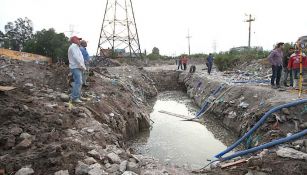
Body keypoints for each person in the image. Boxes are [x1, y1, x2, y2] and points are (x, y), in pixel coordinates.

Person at [68, 36, 86, 103]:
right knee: (78, 82)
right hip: (75, 67)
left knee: (79, 82)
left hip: (77, 67)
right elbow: (76, 57)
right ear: (75, 40)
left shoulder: (76, 47)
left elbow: (80, 58)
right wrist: (82, 66)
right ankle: (75, 98)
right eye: (78, 40)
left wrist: (82, 66)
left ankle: (77, 96)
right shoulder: (74, 47)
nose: (79, 41)